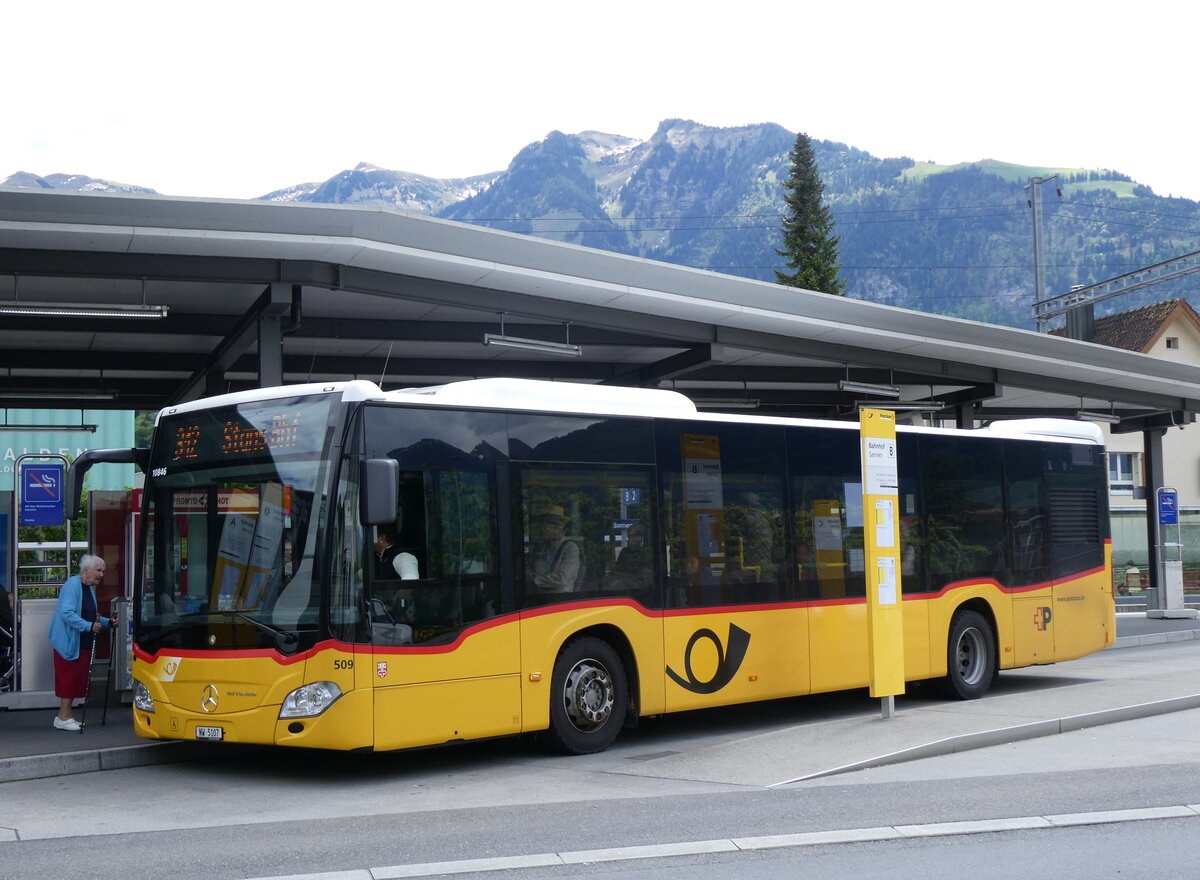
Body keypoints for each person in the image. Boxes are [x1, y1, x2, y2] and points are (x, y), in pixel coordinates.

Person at [47, 554, 113, 732]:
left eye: (103, 571)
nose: (101, 574)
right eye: (98, 570)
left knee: (76, 679)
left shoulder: (89, 588)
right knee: (68, 679)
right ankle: (63, 717)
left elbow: (91, 615)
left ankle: (65, 716)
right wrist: (88, 626)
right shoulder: (73, 585)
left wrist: (107, 622)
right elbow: (67, 613)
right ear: (86, 570)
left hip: (82, 640)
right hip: (68, 642)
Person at [530, 502, 582, 593]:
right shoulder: (543, 548)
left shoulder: (571, 548)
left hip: (560, 601)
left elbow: (563, 578)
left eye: (544, 528)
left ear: (556, 528)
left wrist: (535, 580)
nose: (541, 532)